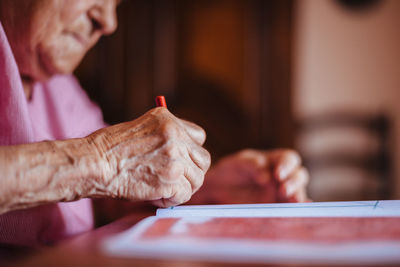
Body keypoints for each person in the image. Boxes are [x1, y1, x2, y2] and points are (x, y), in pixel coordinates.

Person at [0, 0, 309, 246]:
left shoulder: (58, 86)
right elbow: (104, 169)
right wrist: (104, 162)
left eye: (117, 4)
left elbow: (106, 200)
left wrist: (206, 190)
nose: (108, 22)